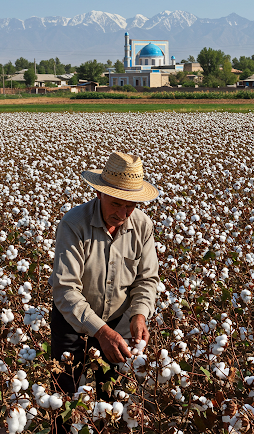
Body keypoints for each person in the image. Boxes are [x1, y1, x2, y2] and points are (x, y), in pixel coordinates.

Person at [50, 151, 160, 407]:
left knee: (110, 395)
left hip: (117, 323)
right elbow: (65, 289)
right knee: (65, 396)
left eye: (130, 206)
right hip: (72, 323)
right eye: (116, 203)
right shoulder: (74, 224)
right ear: (99, 194)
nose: (123, 214)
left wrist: (139, 315)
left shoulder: (142, 226)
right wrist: (100, 332)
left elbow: (146, 279)